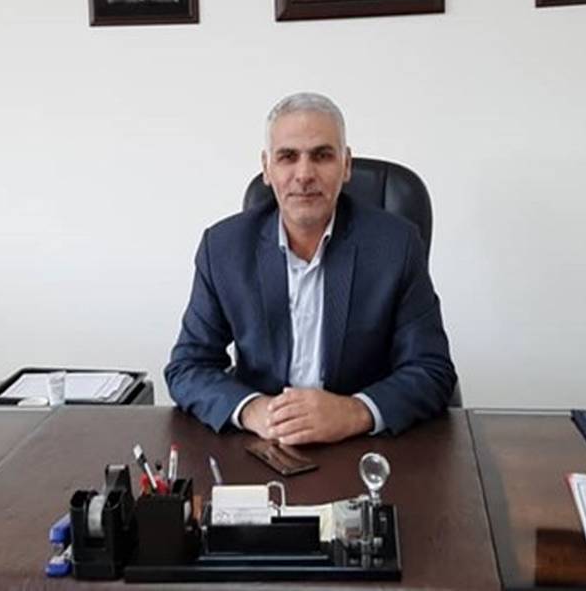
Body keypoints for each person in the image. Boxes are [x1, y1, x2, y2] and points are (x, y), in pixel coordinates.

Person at [164, 93, 457, 445]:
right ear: (267, 168)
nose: (304, 174)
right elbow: (188, 367)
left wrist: (353, 411)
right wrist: (254, 410)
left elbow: (432, 369)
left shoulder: (397, 245)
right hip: (264, 446)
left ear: (346, 165)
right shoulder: (224, 248)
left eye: (322, 156)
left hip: (363, 445)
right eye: (288, 157)